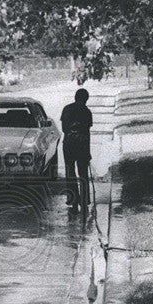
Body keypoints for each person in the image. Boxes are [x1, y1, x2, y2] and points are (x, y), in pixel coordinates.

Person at [60, 88, 92, 218]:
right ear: (85, 99)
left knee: (70, 173)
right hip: (82, 145)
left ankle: (73, 201)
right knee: (83, 173)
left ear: (75, 97)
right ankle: (84, 201)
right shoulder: (87, 111)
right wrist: (88, 152)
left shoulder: (66, 109)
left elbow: (64, 129)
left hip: (68, 145)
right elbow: (87, 132)